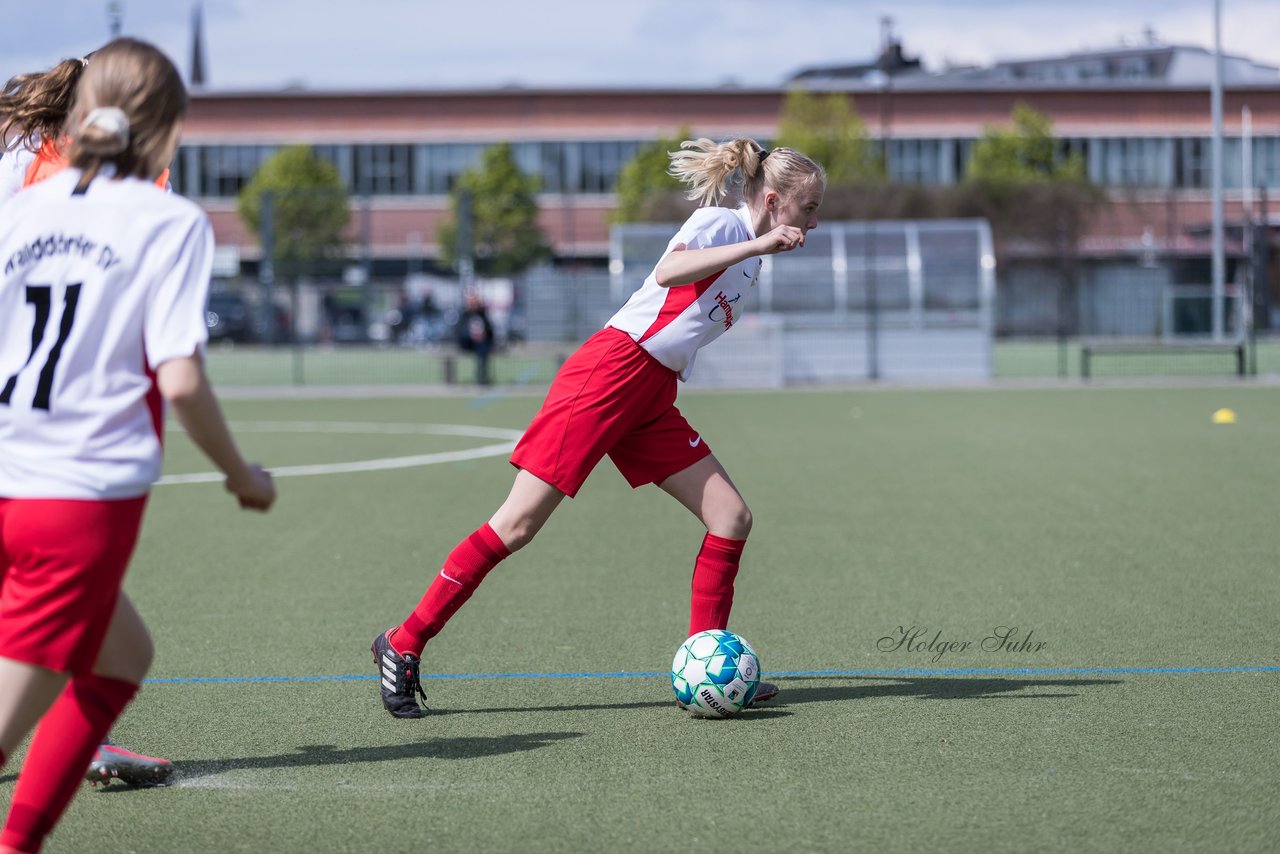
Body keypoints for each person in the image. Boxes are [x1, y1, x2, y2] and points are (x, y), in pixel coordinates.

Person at [372, 137, 824, 718]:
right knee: (516, 524)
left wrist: (758, 250)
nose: (814, 221)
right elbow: (668, 271)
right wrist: (758, 241)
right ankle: (403, 643)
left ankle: (709, 663)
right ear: (772, 199)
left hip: (652, 393)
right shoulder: (724, 226)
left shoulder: (753, 258)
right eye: (808, 208)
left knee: (730, 517)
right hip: (610, 372)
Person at [0, 37, 277, 853]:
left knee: (123, 660)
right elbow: (182, 379)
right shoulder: (169, 219)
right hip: (73, 501)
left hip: (10, 476)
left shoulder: (20, 206)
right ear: (170, 129)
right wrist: (242, 475)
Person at [0, 48, 177, 790]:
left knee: (91, 622)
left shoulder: (25, 168)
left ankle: (73, 735)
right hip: (47, 435)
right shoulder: (120, 185)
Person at [455, 290, 495, 384]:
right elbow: (458, 331)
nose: (473, 303)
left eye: (474, 300)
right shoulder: (464, 314)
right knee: (466, 334)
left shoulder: (483, 314)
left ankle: (481, 377)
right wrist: (471, 334)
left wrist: (482, 334)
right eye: (470, 301)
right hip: (467, 342)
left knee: (483, 347)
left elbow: (490, 330)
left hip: (480, 343)